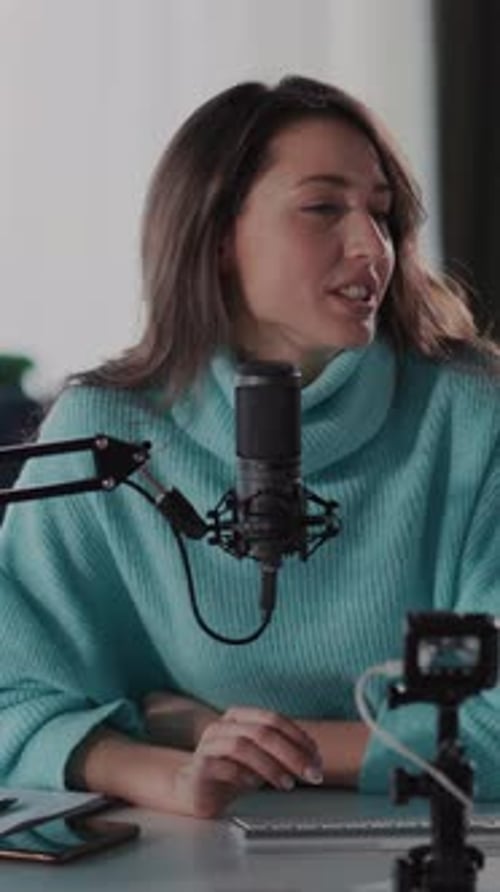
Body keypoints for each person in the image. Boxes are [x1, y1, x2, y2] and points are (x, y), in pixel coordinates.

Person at [1, 75, 499, 820]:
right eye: (324, 208)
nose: (374, 247)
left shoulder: (471, 416)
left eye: (384, 215)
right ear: (219, 234)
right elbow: (10, 700)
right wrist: (166, 773)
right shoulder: (106, 432)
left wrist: (209, 729)